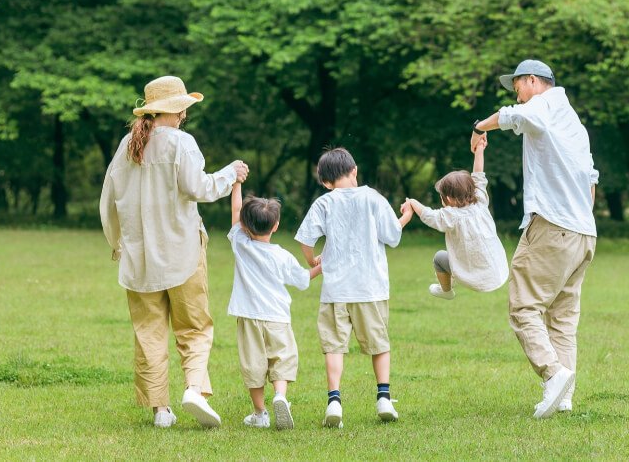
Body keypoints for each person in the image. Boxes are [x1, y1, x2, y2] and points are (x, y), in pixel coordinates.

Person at [99, 75, 249, 429]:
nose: (185, 115)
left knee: (148, 332)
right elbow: (198, 188)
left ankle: (160, 410)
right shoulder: (182, 143)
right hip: (182, 253)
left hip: (138, 260)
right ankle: (194, 390)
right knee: (194, 328)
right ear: (178, 108)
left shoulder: (126, 146)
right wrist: (231, 174)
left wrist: (116, 243)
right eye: (184, 108)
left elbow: (107, 202)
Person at [470, 60, 598, 419]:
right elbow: (591, 182)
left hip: (552, 227)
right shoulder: (575, 124)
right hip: (584, 233)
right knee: (563, 317)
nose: (516, 95)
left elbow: (513, 117)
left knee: (523, 307)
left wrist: (479, 127)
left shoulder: (544, 103)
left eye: (517, 87)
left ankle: (553, 374)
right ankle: (565, 395)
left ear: (531, 81)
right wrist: (579, 218)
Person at [294, 148, 414, 428]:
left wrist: (312, 260)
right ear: (354, 170)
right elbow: (392, 236)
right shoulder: (373, 198)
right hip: (370, 287)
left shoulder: (324, 203)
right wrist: (406, 215)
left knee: (334, 346)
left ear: (325, 182)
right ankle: (383, 397)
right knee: (378, 344)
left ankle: (334, 401)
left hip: (336, 289)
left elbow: (306, 238)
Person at [228, 182, 321, 431]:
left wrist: (237, 183)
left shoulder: (241, 244)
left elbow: (236, 211)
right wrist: (321, 266)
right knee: (282, 358)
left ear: (244, 226)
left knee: (253, 365)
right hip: (278, 317)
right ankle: (280, 396)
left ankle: (260, 413)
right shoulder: (282, 256)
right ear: (276, 226)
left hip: (248, 316)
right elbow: (303, 280)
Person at [401, 135, 508, 299]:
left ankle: (447, 290)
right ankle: (449, 282)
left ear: (448, 199)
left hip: (473, 277)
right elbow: (479, 175)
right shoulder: (481, 201)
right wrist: (479, 150)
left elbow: (429, 216)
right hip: (498, 272)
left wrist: (413, 202)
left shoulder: (451, 216)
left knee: (439, 259)